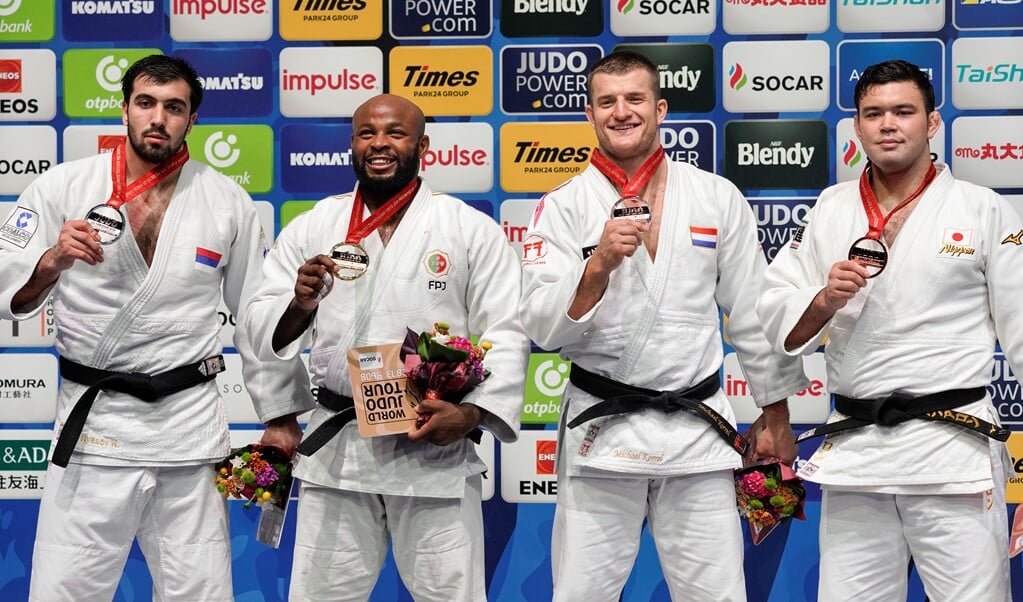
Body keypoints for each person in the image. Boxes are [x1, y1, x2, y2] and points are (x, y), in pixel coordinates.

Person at [0, 54, 313, 601]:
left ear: (192, 121)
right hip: (94, 430)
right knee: (63, 592)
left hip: (188, 434)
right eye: (145, 103)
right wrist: (49, 263)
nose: (158, 118)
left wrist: (281, 416)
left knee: (202, 592)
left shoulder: (228, 202)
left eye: (174, 107)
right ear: (123, 109)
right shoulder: (61, 188)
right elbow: (7, 289)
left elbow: (257, 316)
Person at [517, 50, 808, 601]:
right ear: (589, 114)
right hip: (603, 435)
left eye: (634, 99)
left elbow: (751, 315)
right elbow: (542, 327)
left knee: (718, 594)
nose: (621, 112)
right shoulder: (562, 206)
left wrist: (775, 415)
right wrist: (596, 265)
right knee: (580, 594)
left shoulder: (716, 196)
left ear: (660, 107)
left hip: (697, 433)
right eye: (607, 101)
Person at [243, 93, 530, 601]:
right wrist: (299, 304)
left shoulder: (468, 229)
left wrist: (472, 415)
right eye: (366, 133)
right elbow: (260, 325)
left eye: (395, 133)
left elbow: (505, 329)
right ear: (351, 144)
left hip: (430, 448)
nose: (379, 144)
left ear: (422, 145)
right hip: (339, 452)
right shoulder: (315, 225)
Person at [756, 59, 1015, 601]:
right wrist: (824, 298)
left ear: (933, 122)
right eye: (873, 113)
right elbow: (778, 310)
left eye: (903, 111)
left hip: (951, 453)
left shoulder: (984, 210)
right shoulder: (831, 208)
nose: (888, 124)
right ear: (857, 127)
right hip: (859, 458)